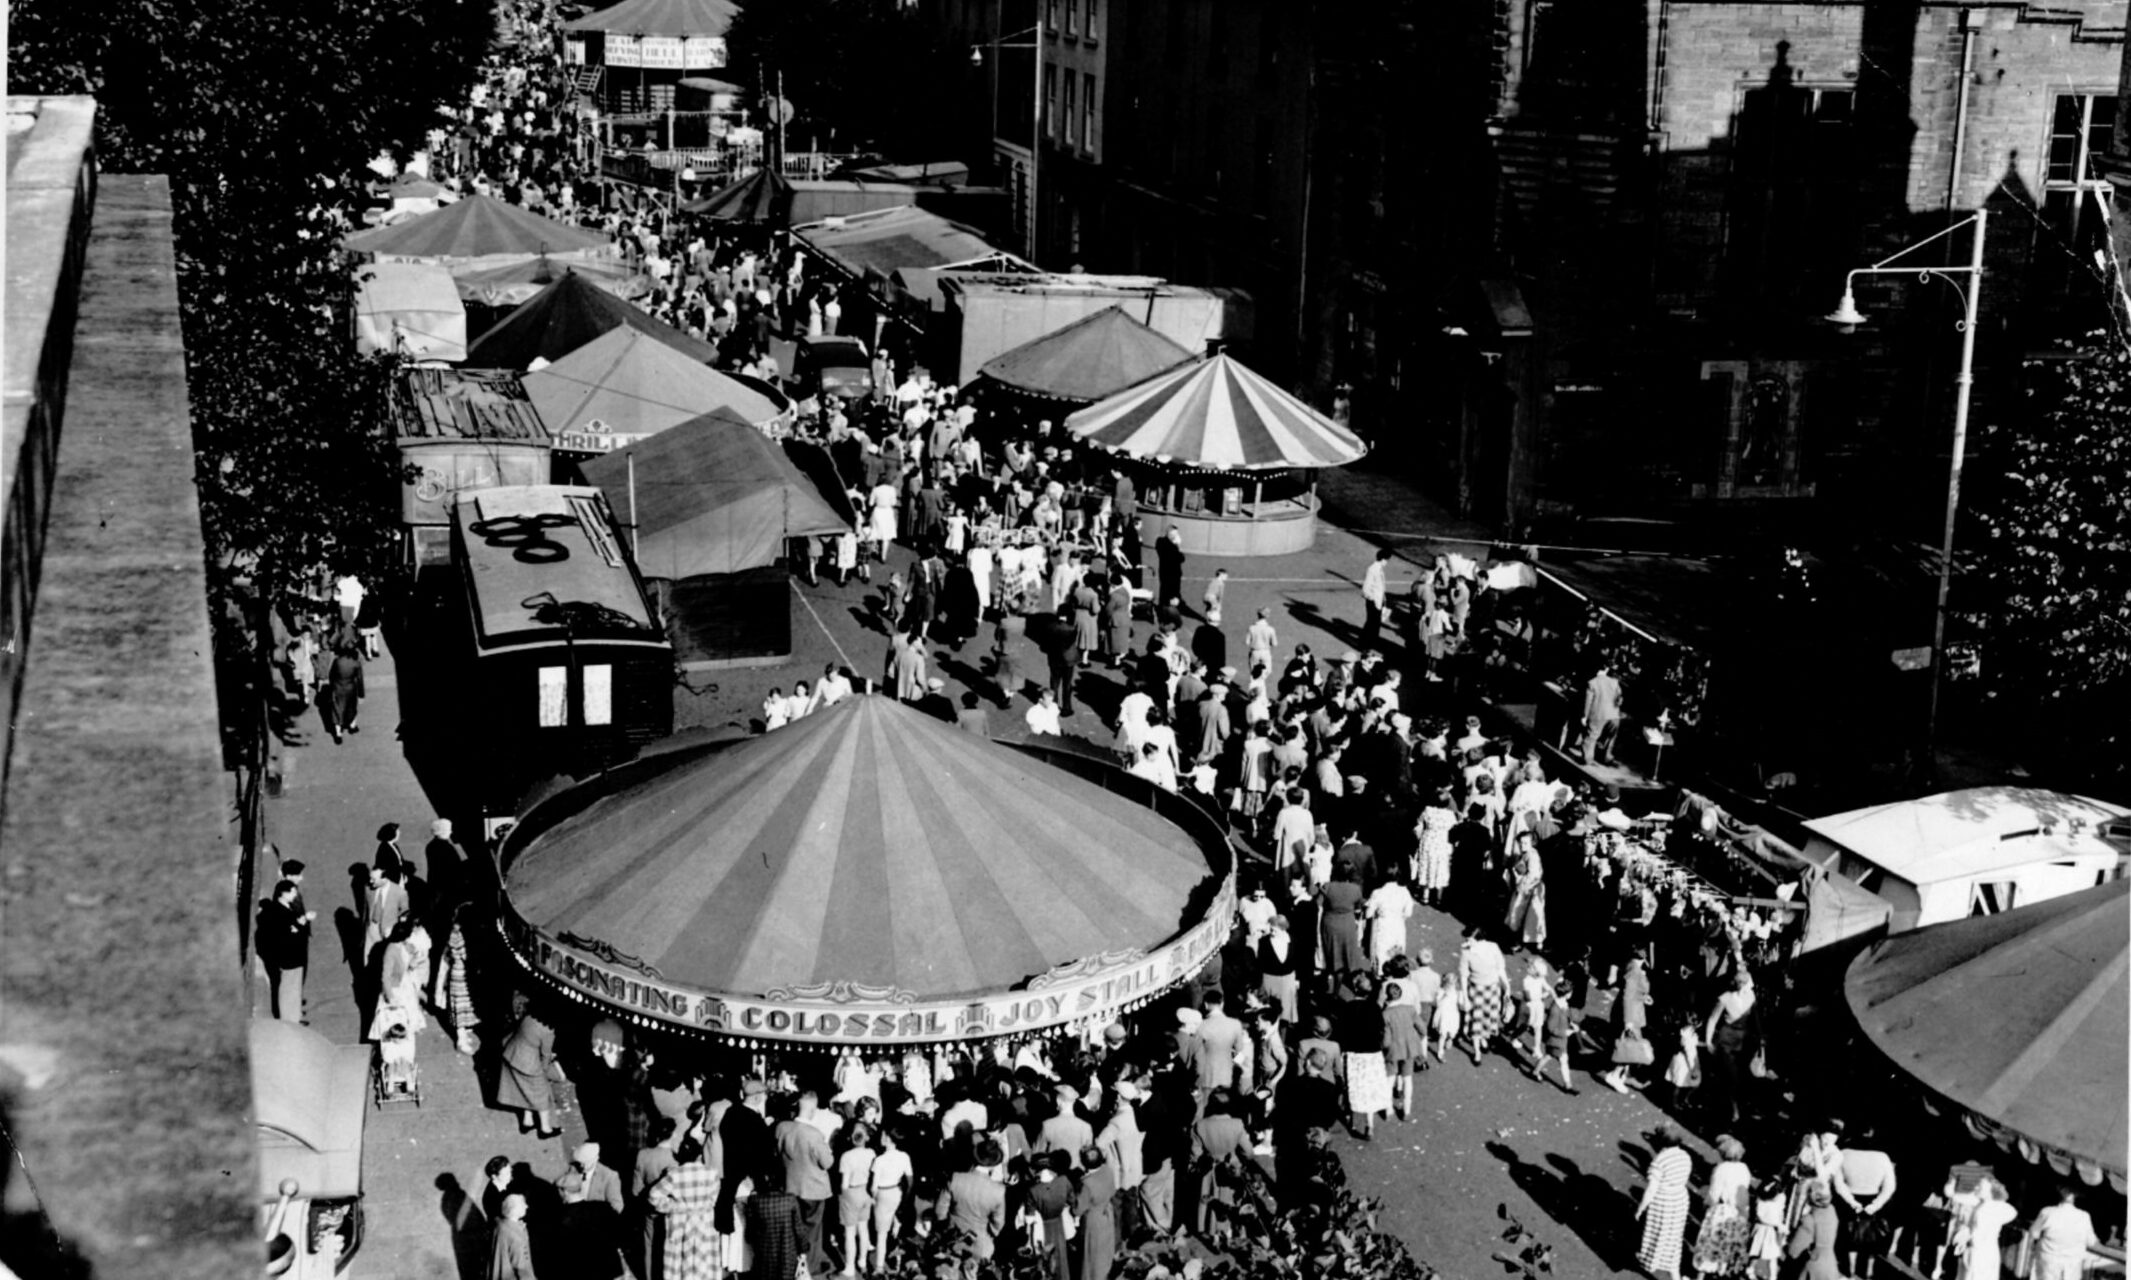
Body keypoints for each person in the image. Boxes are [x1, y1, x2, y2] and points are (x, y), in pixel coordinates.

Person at [648, 1131, 721, 1280]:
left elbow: (653, 1196)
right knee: (704, 1262)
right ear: (699, 1155)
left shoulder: (674, 1174)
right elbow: (713, 1200)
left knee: (679, 1262)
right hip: (704, 1223)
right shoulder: (712, 1173)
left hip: (680, 1223)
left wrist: (672, 1206)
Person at [776, 1091, 835, 1274]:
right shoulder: (814, 1134)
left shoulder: (782, 1127)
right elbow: (827, 1163)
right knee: (813, 1232)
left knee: (793, 1228)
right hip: (814, 1189)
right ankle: (810, 1268)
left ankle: (792, 1263)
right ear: (812, 1109)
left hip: (790, 1185)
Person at [497, 995, 561, 1138]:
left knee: (525, 1091)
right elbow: (545, 1054)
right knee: (541, 1095)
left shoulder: (529, 1018)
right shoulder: (548, 1031)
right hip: (529, 1064)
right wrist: (545, 1070)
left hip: (512, 1052)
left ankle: (527, 1122)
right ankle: (545, 1129)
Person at [560, 1141, 627, 1279]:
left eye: (584, 1163)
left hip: (596, 1229)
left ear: (595, 1159)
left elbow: (617, 1206)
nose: (580, 1167)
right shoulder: (574, 1168)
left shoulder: (610, 1176)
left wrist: (598, 1215)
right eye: (579, 1163)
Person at [1834, 1135, 1898, 1276]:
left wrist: (1852, 1201)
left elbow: (1838, 1184)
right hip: (1874, 1199)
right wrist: (1876, 1204)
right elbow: (1890, 1186)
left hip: (1850, 1200)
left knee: (1852, 1238)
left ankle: (1850, 1270)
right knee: (1873, 1239)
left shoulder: (1844, 1153)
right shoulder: (1883, 1157)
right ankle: (1868, 1272)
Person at [1637, 1128, 1695, 1280]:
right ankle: (1675, 1272)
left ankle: (1650, 1261)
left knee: (1657, 1234)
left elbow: (1651, 1189)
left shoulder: (1659, 1160)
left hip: (1663, 1201)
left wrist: (1640, 1208)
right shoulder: (1685, 1156)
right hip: (1680, 1199)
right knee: (1674, 1237)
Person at [936, 1138, 1008, 1259]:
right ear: (994, 1164)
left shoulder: (955, 1178)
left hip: (952, 1235)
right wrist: (990, 1234)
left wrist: (945, 1226)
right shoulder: (998, 1191)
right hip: (980, 1243)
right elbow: (998, 1223)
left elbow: (940, 1211)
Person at [1692, 1135, 1753, 1278]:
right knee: (1728, 1245)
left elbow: (1714, 1193)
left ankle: (1700, 1276)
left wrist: (1706, 1205)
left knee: (1709, 1244)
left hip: (1722, 1210)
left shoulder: (1721, 1169)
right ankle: (1721, 1271)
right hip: (1738, 1211)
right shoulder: (1744, 1168)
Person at [1704, 970, 1759, 1125]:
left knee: (1743, 1075)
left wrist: (1761, 1038)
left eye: (1744, 983)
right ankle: (1734, 1109)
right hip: (1727, 1039)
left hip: (1745, 1040)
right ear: (1735, 983)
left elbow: (1755, 1019)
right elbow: (1712, 1019)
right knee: (1731, 1075)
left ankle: (1740, 1104)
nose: (1742, 986)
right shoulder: (1725, 998)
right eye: (1739, 983)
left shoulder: (1751, 997)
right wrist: (1708, 1041)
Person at [257, 879, 310, 1023]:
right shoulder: (278, 912)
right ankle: (290, 1020)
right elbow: (284, 935)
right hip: (289, 958)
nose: (295, 894)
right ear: (283, 893)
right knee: (289, 990)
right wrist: (298, 925)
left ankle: (294, 1017)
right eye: (292, 891)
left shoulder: (285, 908)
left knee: (293, 989)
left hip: (294, 957)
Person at [2027, 1186, 2099, 1280]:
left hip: (2048, 1260)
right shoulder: (2084, 1216)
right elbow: (2091, 1242)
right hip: (2072, 1263)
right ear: (2076, 1197)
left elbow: (2034, 1234)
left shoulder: (2047, 1211)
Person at [835, 1122, 876, 1276]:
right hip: (865, 1191)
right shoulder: (871, 1153)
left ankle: (850, 1267)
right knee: (864, 1229)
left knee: (850, 1233)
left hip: (850, 1193)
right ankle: (863, 1261)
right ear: (866, 1137)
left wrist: (842, 1196)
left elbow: (844, 1183)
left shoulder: (846, 1157)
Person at [869, 1125, 912, 1272]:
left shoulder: (879, 1160)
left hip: (883, 1193)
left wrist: (873, 1198)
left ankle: (879, 1267)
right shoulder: (904, 1156)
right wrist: (905, 1198)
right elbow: (910, 1180)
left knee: (881, 1234)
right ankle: (896, 1255)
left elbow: (873, 1187)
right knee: (893, 1217)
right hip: (897, 1192)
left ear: (888, 1139)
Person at [1957, 1180, 2019, 1280]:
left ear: (1990, 1191)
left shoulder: (1987, 1208)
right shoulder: (1983, 1206)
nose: (1977, 1188)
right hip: (1983, 1250)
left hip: (1981, 1252)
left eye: (1980, 1186)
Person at [1076, 1143, 1120, 1280]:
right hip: (1107, 1213)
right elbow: (1112, 1190)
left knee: (1092, 1254)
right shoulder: (1107, 1170)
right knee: (1105, 1252)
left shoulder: (1087, 1183)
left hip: (1093, 1220)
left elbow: (1078, 1210)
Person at [1787, 1182, 1844, 1280]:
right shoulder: (1832, 1211)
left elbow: (1793, 1251)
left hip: (1813, 1264)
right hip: (1830, 1263)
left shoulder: (1809, 1219)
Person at [489, 1192, 537, 1280]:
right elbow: (520, 1265)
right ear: (514, 1209)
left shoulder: (501, 1227)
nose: (527, 1206)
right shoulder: (515, 1234)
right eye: (523, 1204)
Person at [1582, 664, 1623, 765]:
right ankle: (1606, 757)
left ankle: (1587, 759)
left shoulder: (1592, 683)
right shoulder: (1614, 682)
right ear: (1606, 670)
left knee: (1591, 736)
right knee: (1610, 737)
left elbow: (1588, 701)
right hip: (1614, 715)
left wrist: (1584, 716)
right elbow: (1620, 699)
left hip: (1598, 714)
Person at [1360, 548, 1391, 649]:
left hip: (1378, 600)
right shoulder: (1373, 569)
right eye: (1386, 560)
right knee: (1372, 624)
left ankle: (1369, 643)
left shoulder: (1379, 569)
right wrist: (1372, 598)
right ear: (1383, 559)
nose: (1387, 562)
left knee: (1374, 623)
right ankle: (1365, 644)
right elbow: (1366, 587)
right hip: (1373, 601)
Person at [1156, 527, 1186, 606]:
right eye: (1176, 534)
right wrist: (1177, 545)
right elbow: (1181, 558)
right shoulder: (1171, 547)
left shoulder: (1160, 541)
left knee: (1163, 590)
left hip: (1163, 572)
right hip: (1172, 574)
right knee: (1171, 594)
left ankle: (1163, 606)